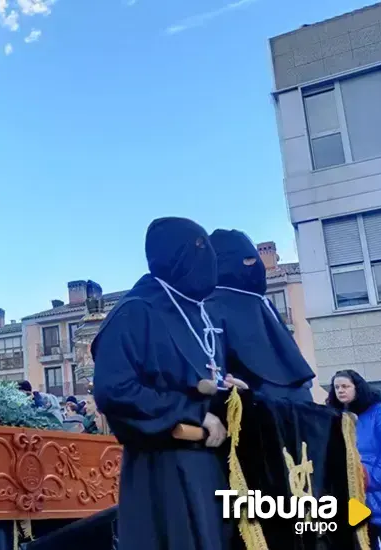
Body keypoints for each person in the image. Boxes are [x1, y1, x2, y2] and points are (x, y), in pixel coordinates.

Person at [92, 217, 244, 550]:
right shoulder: (136, 312)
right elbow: (114, 390)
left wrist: (226, 392)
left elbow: (192, 380)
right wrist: (190, 413)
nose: (209, 260)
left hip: (210, 468)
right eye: (199, 248)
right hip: (163, 471)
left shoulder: (198, 312)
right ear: (175, 255)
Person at [205, 229, 314, 401]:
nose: (252, 264)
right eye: (246, 259)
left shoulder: (263, 304)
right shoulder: (210, 307)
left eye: (252, 258)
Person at [326, 370, 381, 548]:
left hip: (377, 489)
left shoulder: (379, 411)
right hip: (352, 494)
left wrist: (372, 478)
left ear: (357, 388)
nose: (340, 390)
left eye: (345, 386)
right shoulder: (335, 416)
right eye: (337, 387)